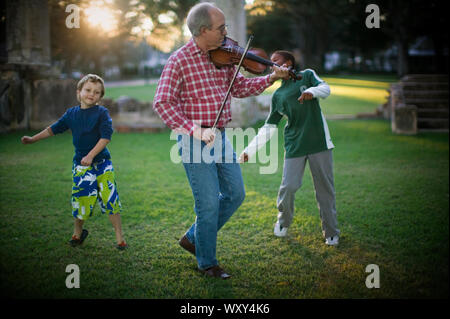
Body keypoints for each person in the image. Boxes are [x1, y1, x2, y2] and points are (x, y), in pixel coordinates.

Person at [153, 2, 289, 279]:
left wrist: (271, 78)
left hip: (220, 136)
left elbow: (239, 86)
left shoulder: (223, 55)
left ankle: (193, 238)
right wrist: (194, 129)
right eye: (221, 28)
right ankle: (207, 263)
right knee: (208, 204)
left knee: (236, 193)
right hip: (194, 139)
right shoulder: (179, 61)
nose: (226, 32)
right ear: (203, 30)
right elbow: (162, 103)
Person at [239, 51, 340, 246]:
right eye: (271, 62)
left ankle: (331, 232)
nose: (271, 64)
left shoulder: (307, 75)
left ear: (288, 63)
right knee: (289, 187)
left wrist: (312, 92)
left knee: (325, 189)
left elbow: (325, 89)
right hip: (294, 144)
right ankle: (283, 222)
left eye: (275, 60)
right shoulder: (277, 95)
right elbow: (268, 128)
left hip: (319, 142)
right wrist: (249, 151)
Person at [21, 74, 128, 250]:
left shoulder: (101, 113)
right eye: (87, 90)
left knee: (110, 199)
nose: (91, 94)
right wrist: (33, 139)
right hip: (81, 165)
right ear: (79, 92)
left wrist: (92, 155)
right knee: (81, 201)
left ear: (100, 97)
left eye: (96, 92)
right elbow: (52, 129)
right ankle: (78, 233)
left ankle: (119, 237)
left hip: (102, 164)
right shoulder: (71, 114)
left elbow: (106, 137)